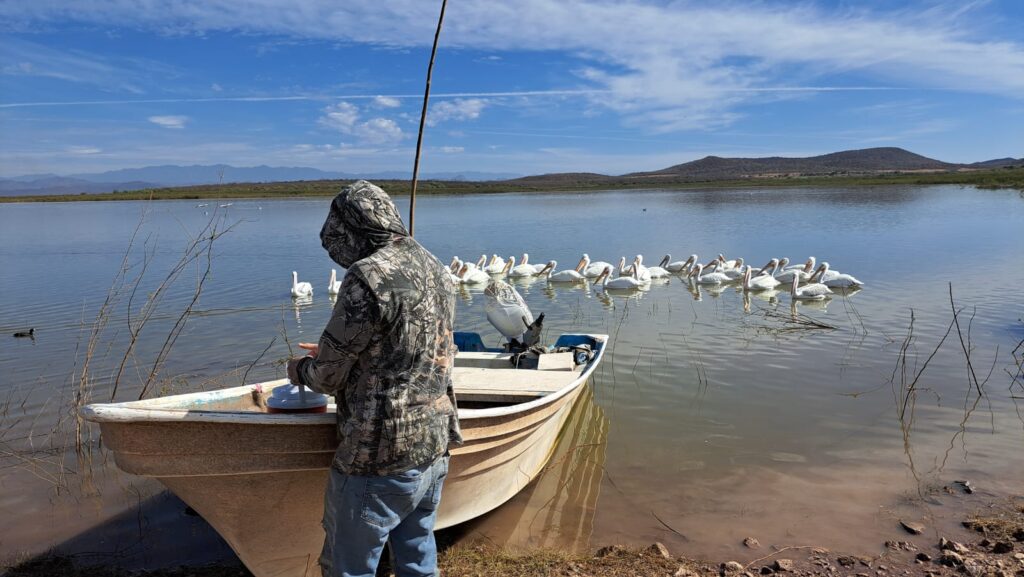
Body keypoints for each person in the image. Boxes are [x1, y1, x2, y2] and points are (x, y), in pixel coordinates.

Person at [287, 180, 461, 577]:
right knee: (417, 558)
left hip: (378, 456)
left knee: (349, 567)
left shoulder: (368, 274)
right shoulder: (434, 265)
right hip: (434, 445)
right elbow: (409, 346)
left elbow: (327, 377)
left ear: (349, 228)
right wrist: (348, 352)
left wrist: (298, 369)